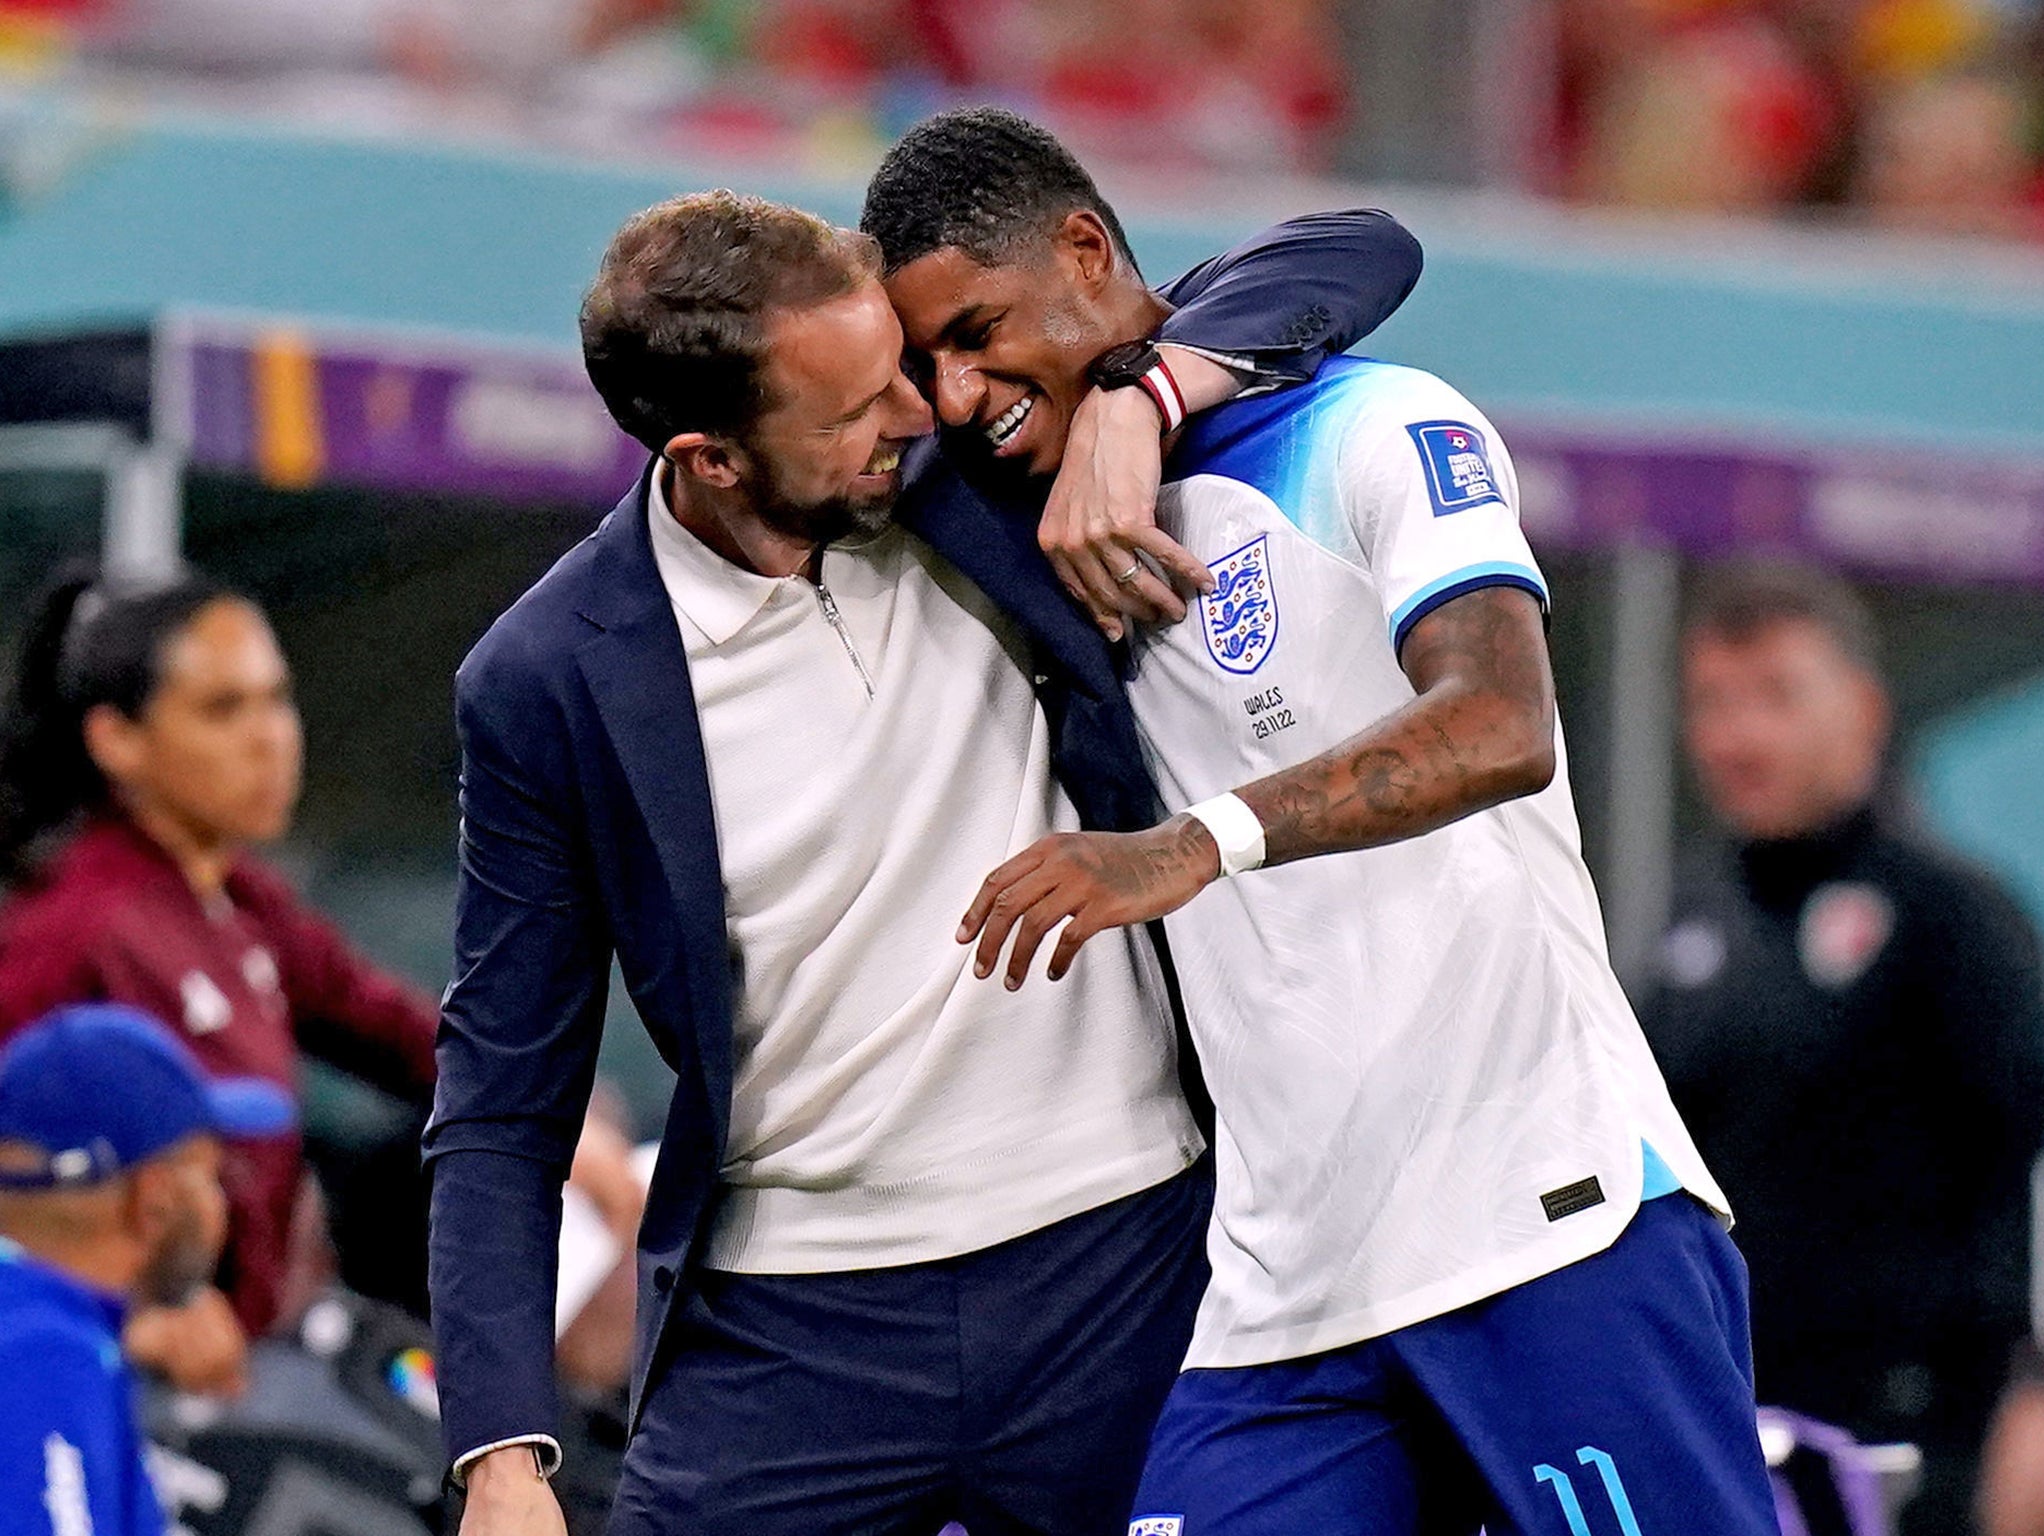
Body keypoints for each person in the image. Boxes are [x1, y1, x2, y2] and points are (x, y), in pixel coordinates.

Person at [427, 184, 1423, 1536]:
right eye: (849, 413)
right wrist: (502, 1453)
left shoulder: (973, 458)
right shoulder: (546, 681)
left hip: (1126, 1267)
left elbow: (1355, 252)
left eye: (896, 368)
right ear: (711, 457)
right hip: (789, 1339)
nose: (917, 412)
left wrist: (1144, 400)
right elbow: (502, 1098)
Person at [874, 107, 1778, 1534]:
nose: (959, 385)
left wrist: (1193, 844)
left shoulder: (1373, 424)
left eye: (978, 330)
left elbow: (1497, 725)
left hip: (1547, 1221)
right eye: (929, 361)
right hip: (1282, 1295)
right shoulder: (1000, 516)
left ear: (1087, 250)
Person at [1639, 561, 2044, 1536]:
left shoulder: (1953, 916)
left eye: (1775, 696)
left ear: (1861, 709)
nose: (1738, 735)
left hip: (1918, 1441)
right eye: (1712, 702)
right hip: (1730, 1428)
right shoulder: (1688, 921)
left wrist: (2035, 1391)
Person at [0, 569, 442, 1386]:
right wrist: (127, 1323)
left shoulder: (237, 897)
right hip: (128, 1388)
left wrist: (559, 1121)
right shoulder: (72, 928)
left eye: (276, 699)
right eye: (223, 709)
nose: (271, 737)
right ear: (116, 740)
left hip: (268, 1357)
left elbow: (405, 1033)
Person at [0, 1002, 295, 1536]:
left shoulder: (48, 1327)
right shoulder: (47, 1356)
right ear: (153, 1203)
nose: (219, 1206)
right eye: (207, 1177)